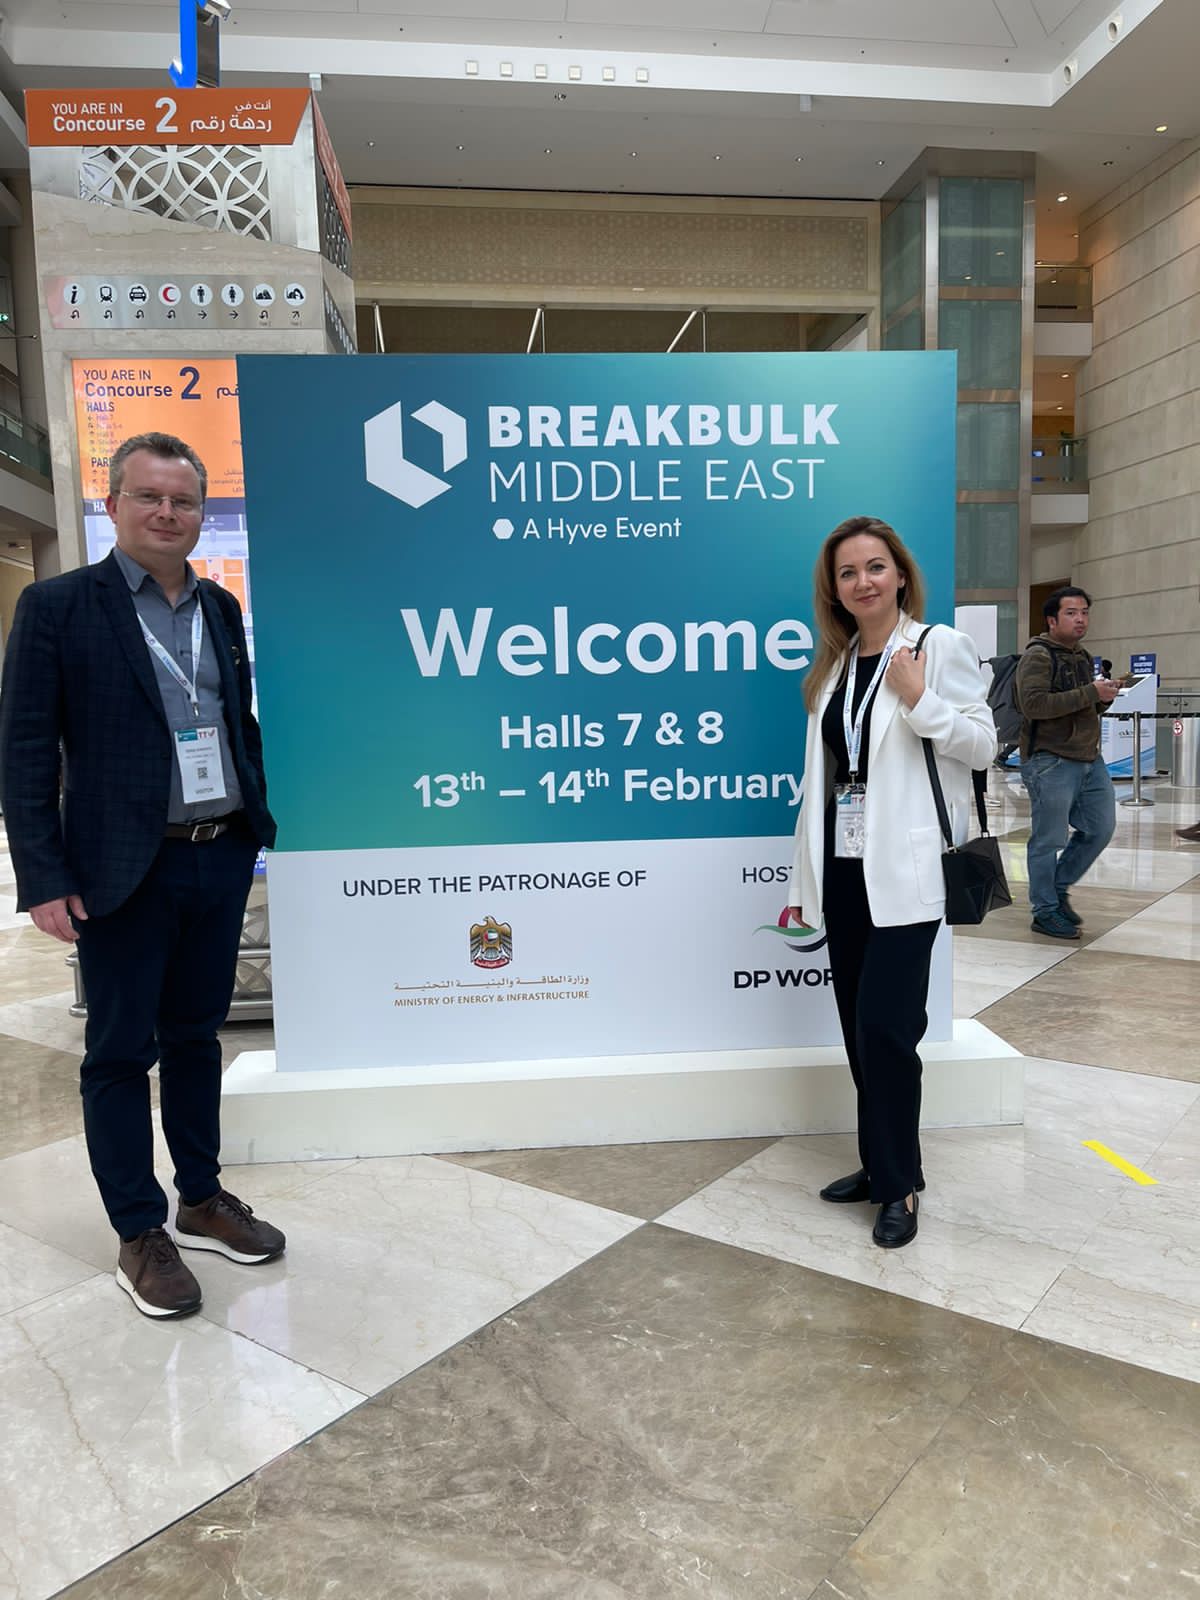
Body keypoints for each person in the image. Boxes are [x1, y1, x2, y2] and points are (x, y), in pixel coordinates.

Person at [0, 431, 283, 1319]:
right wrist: (43, 873)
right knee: (121, 1052)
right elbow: (24, 748)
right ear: (114, 504)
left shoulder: (218, 607)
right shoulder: (57, 606)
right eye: (149, 496)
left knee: (197, 1037)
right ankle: (139, 1231)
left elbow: (231, 723)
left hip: (217, 852)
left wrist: (252, 819)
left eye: (184, 500)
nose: (168, 513)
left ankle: (200, 1198)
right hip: (121, 869)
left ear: (202, 512)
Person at [788, 516, 996, 1249]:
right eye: (847, 573)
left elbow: (984, 745)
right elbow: (821, 784)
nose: (863, 582)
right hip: (845, 872)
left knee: (887, 1029)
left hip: (906, 874)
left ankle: (900, 1184)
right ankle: (880, 1163)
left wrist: (920, 700)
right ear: (835, 589)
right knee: (858, 1028)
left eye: (875, 567)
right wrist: (802, 880)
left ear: (900, 574)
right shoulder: (835, 665)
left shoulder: (937, 648)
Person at [1014, 586, 1118, 940]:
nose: (1080, 619)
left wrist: (1103, 698)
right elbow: (1033, 705)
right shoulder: (1039, 656)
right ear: (1052, 620)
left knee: (1100, 828)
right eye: (1071, 613)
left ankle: (1056, 889)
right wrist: (1091, 693)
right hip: (1050, 760)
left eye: (1084, 612)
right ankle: (1044, 911)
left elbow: (1081, 705)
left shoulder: (1081, 655)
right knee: (1048, 839)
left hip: (1089, 758)